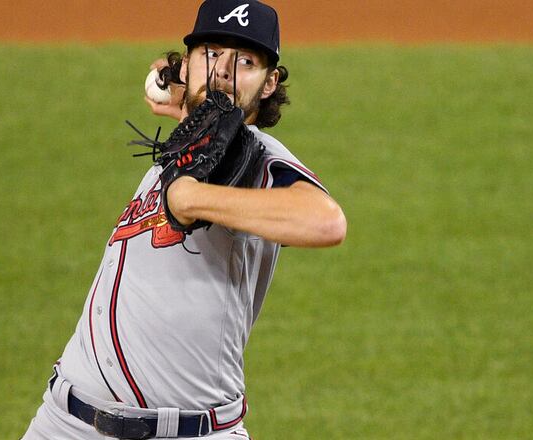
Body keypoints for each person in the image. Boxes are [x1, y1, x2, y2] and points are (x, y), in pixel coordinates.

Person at [22, 1, 346, 438]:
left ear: (269, 84)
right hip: (65, 421)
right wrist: (175, 91)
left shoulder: (253, 155)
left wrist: (193, 198)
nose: (224, 70)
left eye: (246, 61)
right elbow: (189, 96)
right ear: (188, 62)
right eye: (211, 52)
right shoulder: (189, 143)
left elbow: (325, 222)